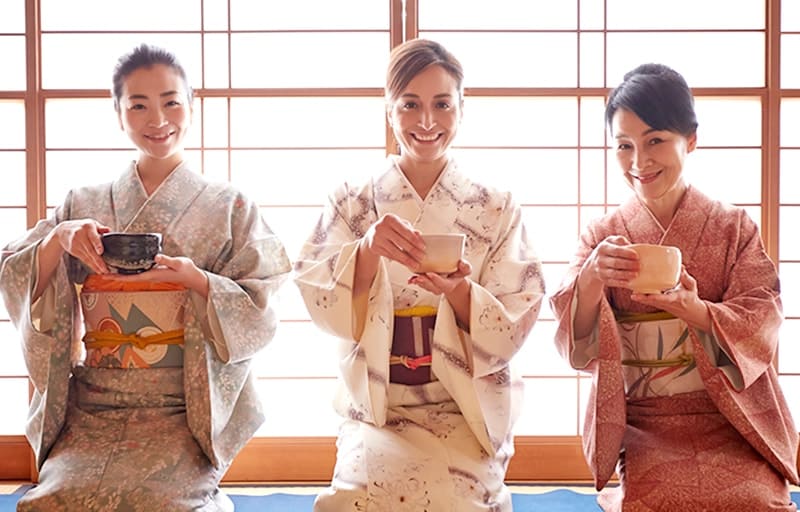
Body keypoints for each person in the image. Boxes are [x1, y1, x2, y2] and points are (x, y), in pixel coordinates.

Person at [0, 43, 291, 511]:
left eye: (171, 102)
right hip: (94, 401)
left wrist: (198, 281)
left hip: (185, 405)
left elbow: (262, 302)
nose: (158, 119)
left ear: (191, 108)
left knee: (165, 504)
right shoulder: (83, 202)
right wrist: (59, 240)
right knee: (51, 503)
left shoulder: (231, 206)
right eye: (138, 105)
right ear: (119, 114)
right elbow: (12, 269)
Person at [293, 38, 545, 511]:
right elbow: (317, 293)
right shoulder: (352, 203)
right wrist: (366, 254)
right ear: (390, 111)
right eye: (410, 105)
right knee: (349, 503)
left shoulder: (496, 206)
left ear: (462, 110)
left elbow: (519, 308)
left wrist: (462, 294)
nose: (426, 122)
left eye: (442, 105)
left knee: (459, 505)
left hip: (463, 406)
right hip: (380, 410)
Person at [550, 63, 799, 510]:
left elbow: (762, 316)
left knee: (759, 503)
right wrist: (590, 276)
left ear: (692, 140)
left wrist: (694, 309)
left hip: (730, 417)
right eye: (623, 146)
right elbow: (574, 342)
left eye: (655, 141)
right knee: (660, 502)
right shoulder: (603, 234)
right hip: (647, 424)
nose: (639, 161)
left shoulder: (732, 227)